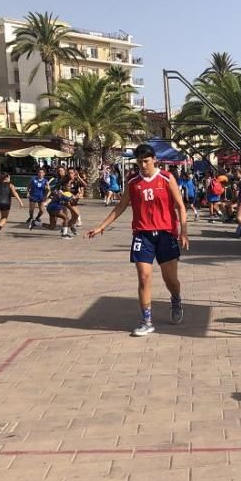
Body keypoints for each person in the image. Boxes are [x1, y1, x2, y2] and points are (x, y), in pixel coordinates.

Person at [87, 143, 189, 336]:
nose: (142, 165)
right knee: (144, 277)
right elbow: (121, 206)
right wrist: (102, 226)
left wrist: (184, 231)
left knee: (171, 280)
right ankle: (146, 321)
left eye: (146, 161)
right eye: (139, 162)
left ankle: (175, 299)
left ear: (154, 160)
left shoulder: (166, 178)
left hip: (166, 234)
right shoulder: (133, 182)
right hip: (143, 235)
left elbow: (180, 206)